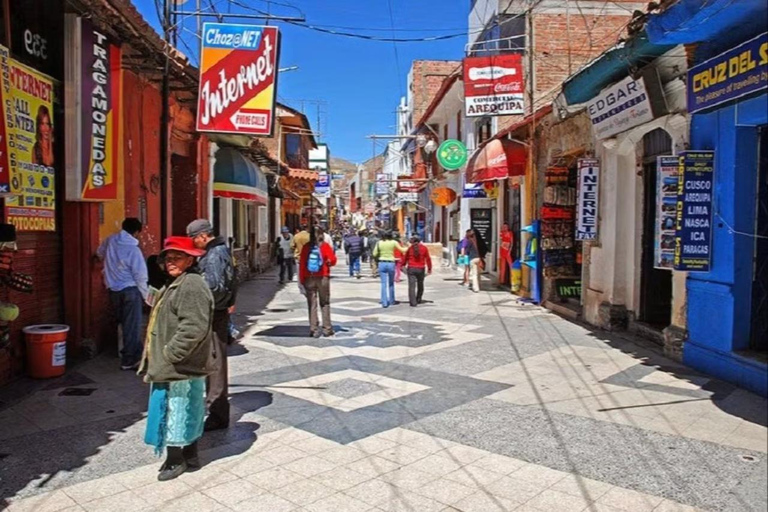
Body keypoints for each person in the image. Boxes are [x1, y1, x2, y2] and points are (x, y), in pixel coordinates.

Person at [139, 236, 215, 482]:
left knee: (177, 410)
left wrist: (171, 353)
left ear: (190, 259)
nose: (170, 262)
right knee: (187, 407)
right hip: (180, 363)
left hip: (180, 363)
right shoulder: (177, 282)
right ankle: (190, 454)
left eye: (177, 257)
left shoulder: (190, 285)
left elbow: (194, 326)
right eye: (167, 258)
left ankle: (175, 459)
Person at [187, 219, 235, 431]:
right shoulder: (221, 250)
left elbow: (213, 287)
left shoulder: (214, 254)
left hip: (214, 314)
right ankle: (215, 407)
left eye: (194, 239)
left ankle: (216, 412)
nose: (193, 243)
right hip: (219, 312)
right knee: (215, 362)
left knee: (215, 364)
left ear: (203, 236)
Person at [97, 218, 149, 371]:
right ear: (137, 232)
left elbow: (99, 253)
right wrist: (146, 296)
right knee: (131, 326)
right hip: (131, 290)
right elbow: (140, 275)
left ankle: (137, 355)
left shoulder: (111, 240)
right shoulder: (134, 250)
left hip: (113, 290)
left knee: (123, 324)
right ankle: (129, 359)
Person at [299, 228, 337, 337]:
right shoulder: (324, 246)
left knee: (312, 303)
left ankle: (314, 329)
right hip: (323, 277)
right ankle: (327, 329)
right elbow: (333, 260)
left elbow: (302, 264)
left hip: (308, 277)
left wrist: (302, 280)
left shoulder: (306, 247)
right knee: (325, 302)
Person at [373, 231, 408, 308]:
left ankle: (384, 302)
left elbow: (374, 254)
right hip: (391, 263)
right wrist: (409, 246)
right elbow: (402, 250)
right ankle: (392, 300)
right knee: (391, 283)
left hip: (382, 263)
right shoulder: (394, 242)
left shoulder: (379, 243)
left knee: (383, 283)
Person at [402, 235, 432, 307]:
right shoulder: (424, 248)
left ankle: (413, 302)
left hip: (411, 268)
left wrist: (403, 265)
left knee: (412, 286)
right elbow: (428, 259)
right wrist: (429, 269)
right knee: (420, 284)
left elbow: (405, 258)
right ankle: (418, 298)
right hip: (421, 268)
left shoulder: (410, 248)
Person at [462, 229, 488, 293]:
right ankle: (479, 285)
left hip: (472, 259)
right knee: (478, 274)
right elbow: (485, 248)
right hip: (479, 258)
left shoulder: (469, 241)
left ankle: (476, 288)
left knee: (474, 274)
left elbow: (467, 251)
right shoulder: (479, 241)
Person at [499, 222, 514, 287]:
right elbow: (500, 241)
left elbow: (512, 242)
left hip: (507, 251)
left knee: (511, 266)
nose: (504, 228)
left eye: (506, 226)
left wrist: (509, 250)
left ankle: (512, 281)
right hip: (502, 249)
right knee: (502, 266)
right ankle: (502, 280)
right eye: (503, 226)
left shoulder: (510, 233)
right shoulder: (501, 233)